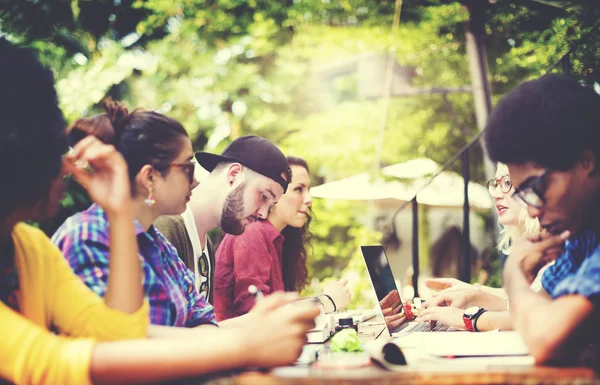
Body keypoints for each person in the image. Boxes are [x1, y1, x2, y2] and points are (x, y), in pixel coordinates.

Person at [0, 38, 319, 385]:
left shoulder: (30, 248)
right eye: (53, 144)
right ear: (20, 150)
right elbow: (54, 363)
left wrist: (120, 213)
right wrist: (245, 344)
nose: (65, 164)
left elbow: (118, 335)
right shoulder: (85, 236)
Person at [484, 74, 600, 367]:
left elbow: (545, 337)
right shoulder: (585, 233)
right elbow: (542, 304)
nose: (532, 210)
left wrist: (513, 273)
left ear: (587, 161)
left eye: (535, 189)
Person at [154, 135, 293, 305]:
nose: (264, 213)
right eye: (264, 196)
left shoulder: (207, 248)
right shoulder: (165, 227)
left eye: (271, 205)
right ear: (234, 174)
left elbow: (202, 328)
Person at [213, 156, 351, 321]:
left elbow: (280, 310)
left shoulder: (276, 239)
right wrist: (328, 302)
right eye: (299, 189)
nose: (309, 200)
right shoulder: (251, 232)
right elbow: (260, 314)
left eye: (309, 190)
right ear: (274, 192)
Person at [417, 164, 543, 332]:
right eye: (496, 184)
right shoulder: (532, 242)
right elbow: (525, 299)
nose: (497, 194)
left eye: (506, 183)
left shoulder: (559, 243)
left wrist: (469, 317)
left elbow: (536, 314)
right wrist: (473, 291)